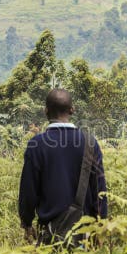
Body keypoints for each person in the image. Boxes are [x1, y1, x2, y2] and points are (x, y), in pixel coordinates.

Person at [18, 89, 108, 245]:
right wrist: (101, 226)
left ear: (46, 111)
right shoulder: (89, 142)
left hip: (49, 234)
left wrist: (27, 223)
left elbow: (28, 191)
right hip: (84, 234)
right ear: (72, 109)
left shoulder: (37, 144)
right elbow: (99, 191)